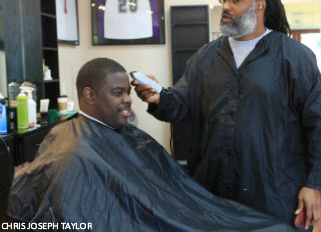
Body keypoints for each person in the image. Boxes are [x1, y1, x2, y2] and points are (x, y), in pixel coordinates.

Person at [133, 0, 321, 231]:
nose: (226, 7)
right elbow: (182, 104)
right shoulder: (206, 57)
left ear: (260, 4)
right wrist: (157, 96)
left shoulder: (294, 56)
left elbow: (319, 122)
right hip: (215, 188)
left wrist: (314, 184)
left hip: (275, 190)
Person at [7, 57, 292, 232]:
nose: (128, 99)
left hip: (180, 213)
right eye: (117, 93)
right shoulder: (75, 153)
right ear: (89, 95)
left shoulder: (119, 134)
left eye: (128, 93)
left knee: (270, 225)